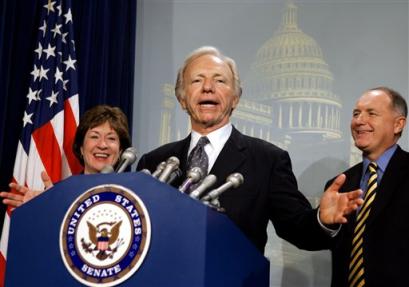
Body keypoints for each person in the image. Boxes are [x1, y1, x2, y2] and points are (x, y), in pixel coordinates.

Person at [136, 46, 363, 253]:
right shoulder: (154, 163)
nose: (207, 88)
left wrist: (322, 220)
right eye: (196, 81)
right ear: (182, 99)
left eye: (219, 81)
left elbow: (296, 228)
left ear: (235, 98)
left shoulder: (267, 160)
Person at [322, 87, 409, 287]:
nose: (359, 121)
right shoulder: (339, 185)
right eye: (356, 114)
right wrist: (325, 223)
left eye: (371, 113)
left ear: (398, 124)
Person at [0, 105, 131, 207]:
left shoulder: (132, 195)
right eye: (94, 136)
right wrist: (44, 207)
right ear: (81, 148)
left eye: (111, 138)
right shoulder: (59, 194)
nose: (102, 144)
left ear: (120, 151)